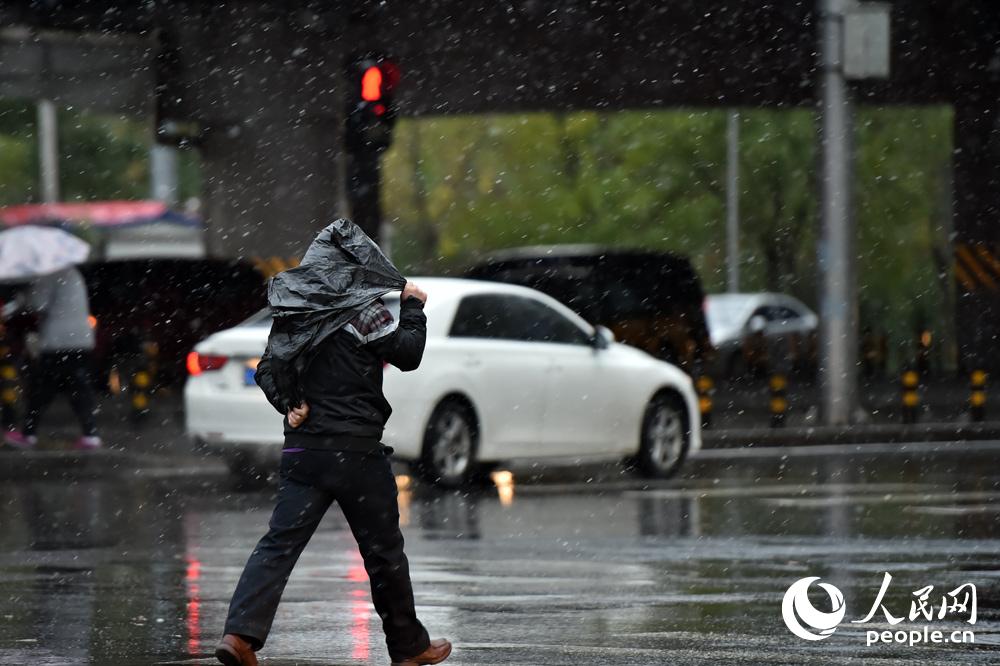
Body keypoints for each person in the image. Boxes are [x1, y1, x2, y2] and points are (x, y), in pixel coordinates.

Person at [215, 278, 452, 666]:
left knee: (279, 545)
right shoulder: (364, 310)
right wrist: (411, 308)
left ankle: (239, 636)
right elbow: (408, 354)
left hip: (303, 451)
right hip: (356, 452)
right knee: (383, 553)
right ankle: (409, 646)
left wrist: (288, 403)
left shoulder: (294, 314)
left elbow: (266, 369)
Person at [3, 265, 101, 450]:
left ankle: (28, 434)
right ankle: (91, 434)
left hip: (58, 341)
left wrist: (23, 296)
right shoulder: (73, 272)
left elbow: (38, 303)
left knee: (41, 390)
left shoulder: (50, 273)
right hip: (81, 339)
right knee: (79, 388)